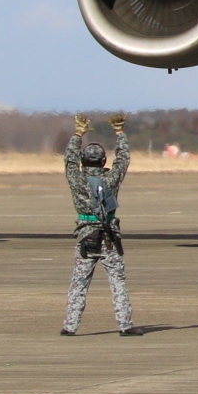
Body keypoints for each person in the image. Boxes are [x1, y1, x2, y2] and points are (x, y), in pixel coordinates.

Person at [61, 113, 137, 336]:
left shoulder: (77, 178)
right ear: (104, 161)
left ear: (84, 161)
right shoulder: (110, 179)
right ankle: (125, 326)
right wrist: (120, 133)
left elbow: (69, 160)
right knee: (117, 282)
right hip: (109, 237)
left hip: (85, 236)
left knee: (79, 283)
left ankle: (70, 326)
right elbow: (123, 160)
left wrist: (78, 134)